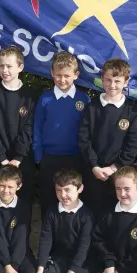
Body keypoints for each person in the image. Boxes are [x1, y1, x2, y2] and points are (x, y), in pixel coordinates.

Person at [78, 59, 137, 215]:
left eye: (117, 81)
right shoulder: (91, 108)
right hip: (93, 172)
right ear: (102, 79)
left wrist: (114, 168)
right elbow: (83, 140)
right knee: (91, 215)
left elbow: (132, 145)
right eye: (108, 80)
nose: (112, 85)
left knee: (114, 217)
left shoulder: (132, 112)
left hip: (119, 176)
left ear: (126, 82)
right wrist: (94, 166)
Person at [33, 51, 90, 211]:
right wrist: (38, 157)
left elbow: (88, 131)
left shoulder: (83, 99)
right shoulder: (45, 98)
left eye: (67, 75)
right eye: (58, 75)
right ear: (52, 73)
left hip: (75, 159)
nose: (62, 80)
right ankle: (48, 235)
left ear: (76, 75)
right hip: (49, 159)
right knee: (49, 200)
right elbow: (37, 128)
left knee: (73, 202)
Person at [0, 46, 37, 206]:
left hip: (23, 161)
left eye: (9, 66)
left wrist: (17, 158)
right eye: (1, 66)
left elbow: (29, 129)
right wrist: (3, 158)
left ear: (20, 67)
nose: (4, 70)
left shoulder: (30, 96)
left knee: (23, 205)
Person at [88, 164, 137, 273]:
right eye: (118, 189)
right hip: (108, 267)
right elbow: (98, 240)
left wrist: (122, 270)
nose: (122, 193)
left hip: (133, 270)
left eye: (127, 188)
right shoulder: (107, 214)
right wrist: (109, 263)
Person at [32, 169, 94, 273]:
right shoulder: (51, 212)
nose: (63, 195)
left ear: (80, 188)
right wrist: (40, 269)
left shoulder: (86, 215)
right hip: (58, 258)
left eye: (67, 190)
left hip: (81, 260)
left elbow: (84, 246)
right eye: (58, 190)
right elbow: (45, 240)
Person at [0, 165, 38, 273]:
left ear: (19, 186)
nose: (6, 191)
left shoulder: (24, 207)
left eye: (10, 187)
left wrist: (15, 265)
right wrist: (7, 264)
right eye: (2, 185)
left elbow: (21, 237)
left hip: (18, 251)